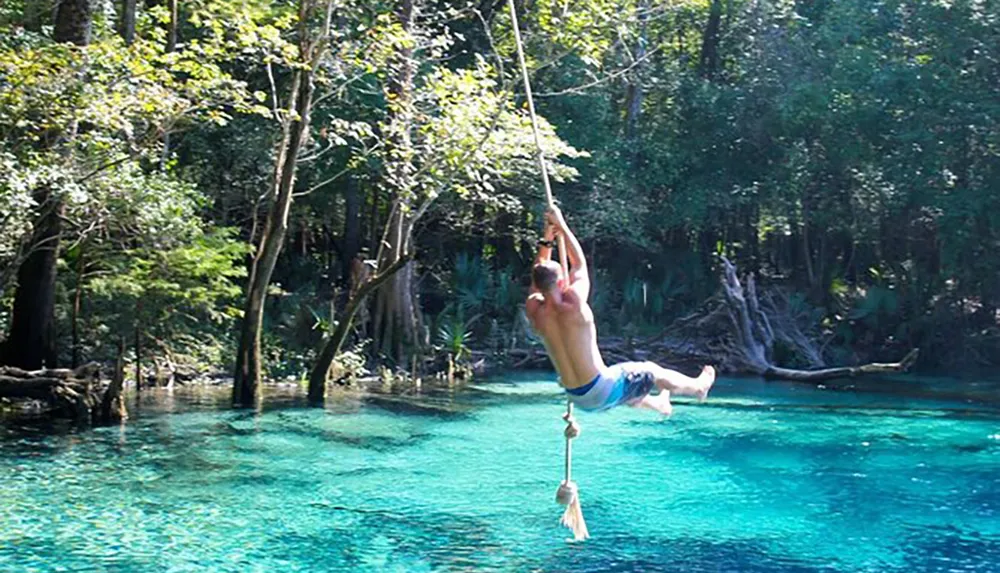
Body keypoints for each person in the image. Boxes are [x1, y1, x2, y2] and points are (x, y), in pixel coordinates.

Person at [525, 206, 715, 415]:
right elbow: (578, 264)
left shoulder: (535, 310)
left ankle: (658, 405)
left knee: (625, 379)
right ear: (562, 282)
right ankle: (698, 388)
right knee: (650, 369)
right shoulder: (573, 304)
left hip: (578, 397)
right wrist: (562, 225)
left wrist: (546, 239)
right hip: (600, 390)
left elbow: (539, 276)